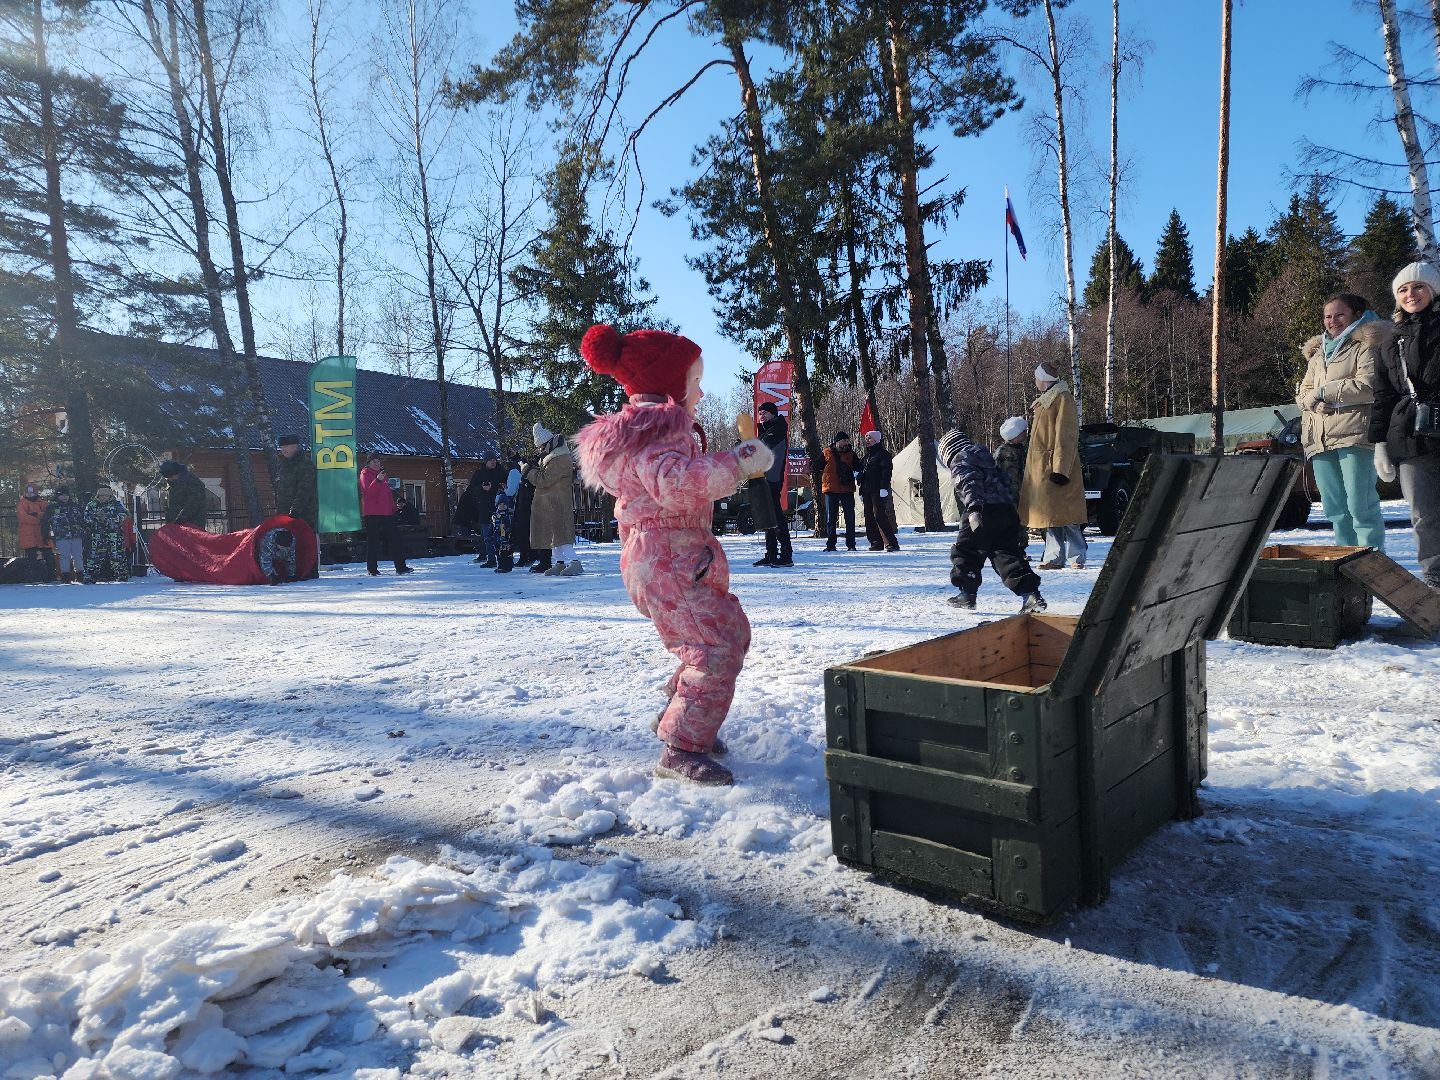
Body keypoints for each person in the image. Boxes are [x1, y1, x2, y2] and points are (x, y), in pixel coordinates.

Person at [573, 323, 772, 785]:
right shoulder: (657, 435)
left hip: (671, 557)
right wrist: (737, 463)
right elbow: (677, 486)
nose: (700, 393)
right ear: (670, 385)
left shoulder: (656, 432)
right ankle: (681, 745)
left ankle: (683, 713)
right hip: (668, 560)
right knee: (715, 647)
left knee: (726, 633)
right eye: (695, 382)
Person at [1297, 292, 1388, 551]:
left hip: (1353, 435)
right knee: (1335, 509)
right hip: (1319, 438)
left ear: (1356, 315)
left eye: (1339, 315)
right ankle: (1346, 564)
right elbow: (1303, 392)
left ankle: (1372, 565)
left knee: (1361, 506)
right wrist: (1311, 400)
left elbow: (1368, 385)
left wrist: (1323, 392)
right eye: (1328, 316)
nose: (1332, 321)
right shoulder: (1318, 354)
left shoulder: (1367, 343)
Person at [1374, 261, 1440, 590]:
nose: (1410, 294)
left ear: (1433, 290)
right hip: (1411, 437)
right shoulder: (1389, 343)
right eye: (1403, 289)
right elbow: (1382, 397)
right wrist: (1380, 445)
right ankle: (1435, 585)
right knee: (1424, 517)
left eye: (1418, 286)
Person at [939, 427, 1046, 612]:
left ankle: (967, 594)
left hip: (981, 510)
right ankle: (1030, 595)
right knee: (1007, 554)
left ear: (948, 452)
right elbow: (1006, 484)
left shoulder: (960, 459)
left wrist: (973, 509)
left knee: (966, 551)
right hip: (1005, 511)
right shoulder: (988, 459)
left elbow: (968, 482)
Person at [1020, 365, 1088, 570]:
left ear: (1044, 379)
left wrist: (1061, 468)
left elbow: (1066, 435)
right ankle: (1053, 557)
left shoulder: (1062, 398)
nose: (1035, 382)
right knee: (1049, 515)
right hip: (1042, 467)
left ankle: (1077, 557)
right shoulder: (1046, 400)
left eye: (1036, 378)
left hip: (1056, 466)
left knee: (1068, 515)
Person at [524, 423, 580, 576]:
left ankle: (575, 562)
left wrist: (528, 471)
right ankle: (560, 563)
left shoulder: (558, 459)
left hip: (557, 501)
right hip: (552, 501)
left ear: (546, 444)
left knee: (560, 534)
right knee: (554, 536)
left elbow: (544, 480)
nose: (539, 450)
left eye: (540, 447)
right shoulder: (554, 457)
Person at [753, 401, 794, 567]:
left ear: (773, 414)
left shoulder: (777, 428)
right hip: (763, 478)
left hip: (772, 478)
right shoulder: (765, 430)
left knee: (776, 516)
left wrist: (747, 447)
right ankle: (771, 553)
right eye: (760, 414)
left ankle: (786, 554)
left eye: (765, 413)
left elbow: (763, 449)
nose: (761, 417)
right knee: (768, 517)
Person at [358, 454, 412, 576]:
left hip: (386, 512)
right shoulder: (365, 474)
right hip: (372, 513)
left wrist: (393, 508)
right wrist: (377, 480)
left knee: (395, 539)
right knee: (373, 541)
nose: (377, 464)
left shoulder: (383, 476)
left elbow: (387, 494)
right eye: (374, 462)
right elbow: (369, 492)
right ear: (368, 463)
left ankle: (401, 567)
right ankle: (372, 569)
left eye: (378, 462)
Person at [275, 434, 319, 579]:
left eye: (286, 446)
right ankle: (293, 572)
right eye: (281, 447)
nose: (283, 450)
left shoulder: (305, 465)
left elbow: (304, 490)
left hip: (304, 513)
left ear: (295, 446)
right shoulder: (284, 465)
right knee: (289, 543)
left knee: (305, 542)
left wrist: (296, 509)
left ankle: (309, 572)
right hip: (286, 513)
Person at [857, 428, 900, 552]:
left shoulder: (883, 455)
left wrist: (883, 487)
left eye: (870, 438)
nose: (867, 441)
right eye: (866, 439)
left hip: (877, 490)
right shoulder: (866, 457)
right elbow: (863, 475)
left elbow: (886, 472)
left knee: (879, 515)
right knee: (869, 517)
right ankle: (876, 542)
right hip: (866, 491)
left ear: (876, 440)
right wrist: (861, 490)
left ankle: (891, 542)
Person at [83, 486, 130, 583]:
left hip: (114, 535)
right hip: (98, 535)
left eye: (106, 495)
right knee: (95, 556)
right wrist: (96, 517)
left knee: (117, 555)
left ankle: (122, 575)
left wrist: (108, 518)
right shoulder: (92, 505)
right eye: (101, 495)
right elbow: (86, 519)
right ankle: (90, 576)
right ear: (98, 496)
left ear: (110, 496)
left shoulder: (117, 504)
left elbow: (124, 515)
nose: (104, 497)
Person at [821, 431, 859, 551]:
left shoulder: (852, 454)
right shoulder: (826, 452)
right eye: (844, 440)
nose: (846, 442)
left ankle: (851, 544)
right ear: (837, 441)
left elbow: (859, 467)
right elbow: (816, 465)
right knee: (831, 519)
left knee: (850, 518)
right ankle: (831, 544)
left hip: (846, 489)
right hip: (831, 489)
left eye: (847, 440)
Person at [43, 487, 86, 582]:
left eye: (66, 495)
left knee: (78, 556)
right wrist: (45, 534)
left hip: (76, 535)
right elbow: (45, 522)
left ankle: (80, 575)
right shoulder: (52, 508)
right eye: (61, 495)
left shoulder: (76, 506)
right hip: (61, 537)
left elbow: (82, 520)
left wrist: (86, 531)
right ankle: (65, 576)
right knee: (64, 557)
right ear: (57, 496)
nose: (64, 497)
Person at [158, 460, 209, 529]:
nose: (170, 479)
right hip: (175, 526)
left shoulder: (193, 482)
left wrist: (177, 521)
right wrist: (170, 523)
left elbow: (193, 505)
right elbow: (169, 504)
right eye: (168, 477)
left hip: (192, 525)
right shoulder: (171, 483)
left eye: (171, 476)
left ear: (177, 472)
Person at [17, 483, 54, 576]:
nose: (30, 495)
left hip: (42, 534)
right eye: (28, 493)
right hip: (28, 535)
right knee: (32, 559)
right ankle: (35, 576)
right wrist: (39, 518)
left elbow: (49, 514)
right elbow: (23, 517)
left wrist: (36, 515)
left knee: (49, 557)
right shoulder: (21, 504)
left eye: (32, 493)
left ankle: (49, 575)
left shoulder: (44, 503)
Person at [509, 453, 537, 567]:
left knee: (522, 533)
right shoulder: (532, 472)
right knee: (528, 533)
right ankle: (531, 555)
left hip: (522, 507)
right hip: (531, 506)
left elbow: (511, 491)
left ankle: (524, 556)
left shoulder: (515, 472)